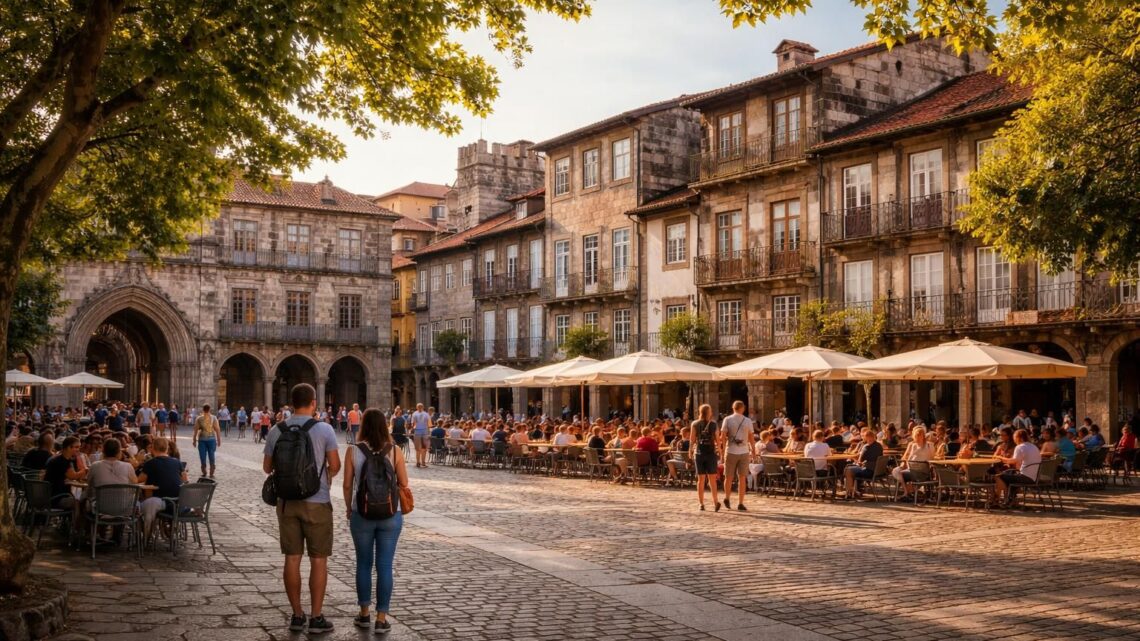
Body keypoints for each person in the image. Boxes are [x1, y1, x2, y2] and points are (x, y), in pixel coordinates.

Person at [263, 383, 341, 634]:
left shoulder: (277, 429)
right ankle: (316, 617)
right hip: (317, 502)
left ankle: (297, 615)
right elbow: (335, 464)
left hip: (286, 502)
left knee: (292, 559)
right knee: (319, 560)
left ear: (291, 402)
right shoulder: (325, 429)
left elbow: (267, 468)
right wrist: (324, 475)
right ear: (313, 402)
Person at [342, 408, 408, 634]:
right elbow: (404, 483)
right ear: (384, 426)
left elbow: (347, 485)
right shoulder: (396, 451)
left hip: (362, 513)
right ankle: (381, 618)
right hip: (391, 514)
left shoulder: (353, 451)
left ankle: (363, 614)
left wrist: (349, 508)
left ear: (363, 426)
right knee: (385, 565)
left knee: (363, 563)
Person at [138, 437, 187, 539]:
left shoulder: (150, 463)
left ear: (153, 448)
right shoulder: (177, 462)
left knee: (140, 502)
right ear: (167, 448)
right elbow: (185, 480)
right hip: (178, 501)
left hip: (160, 501)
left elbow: (139, 480)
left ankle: (146, 532)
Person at [720, 400, 753, 511]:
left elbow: (723, 436)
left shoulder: (727, 419)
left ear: (733, 408)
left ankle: (727, 497)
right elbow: (751, 437)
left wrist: (724, 449)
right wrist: (753, 450)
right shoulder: (747, 420)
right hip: (744, 451)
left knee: (728, 477)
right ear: (742, 408)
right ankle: (740, 502)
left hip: (731, 451)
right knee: (742, 478)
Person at [995, 429, 1041, 507]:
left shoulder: (1020, 447)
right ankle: (1011, 499)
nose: (1014, 440)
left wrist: (1001, 458)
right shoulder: (1033, 446)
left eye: (1015, 438)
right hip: (1034, 476)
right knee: (1009, 473)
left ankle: (998, 500)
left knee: (999, 477)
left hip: (1025, 477)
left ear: (1019, 438)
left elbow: (1013, 461)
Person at [891, 427, 935, 501]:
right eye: (916, 436)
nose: (917, 438)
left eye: (918, 436)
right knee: (896, 471)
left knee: (898, 473)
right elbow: (908, 458)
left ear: (923, 436)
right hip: (914, 470)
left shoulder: (929, 445)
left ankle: (907, 492)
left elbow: (931, 458)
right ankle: (908, 491)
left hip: (921, 472)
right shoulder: (914, 445)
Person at [690, 404, 720, 511]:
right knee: (712, 479)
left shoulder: (695, 423)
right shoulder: (713, 424)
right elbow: (717, 439)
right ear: (709, 412)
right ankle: (715, 501)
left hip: (699, 452)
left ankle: (701, 503)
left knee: (701, 479)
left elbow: (692, 439)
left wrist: (690, 451)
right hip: (711, 453)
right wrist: (720, 451)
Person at [843, 428, 883, 499]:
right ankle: (854, 490)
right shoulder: (879, 446)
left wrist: (853, 458)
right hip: (877, 471)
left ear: (866, 438)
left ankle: (850, 492)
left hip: (868, 471)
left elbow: (859, 461)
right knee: (851, 469)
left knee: (848, 470)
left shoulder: (866, 447)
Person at [192, 404, 222, 478]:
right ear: (209, 409)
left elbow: (195, 430)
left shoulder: (199, 418)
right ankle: (211, 472)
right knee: (211, 455)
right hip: (211, 439)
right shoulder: (214, 418)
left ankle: (204, 470)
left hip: (202, 439)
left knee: (202, 456)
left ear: (203, 409)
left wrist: (194, 440)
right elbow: (217, 429)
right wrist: (218, 440)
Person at [409, 403, 431, 469]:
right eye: (420, 407)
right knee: (422, 448)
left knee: (419, 449)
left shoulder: (415, 414)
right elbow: (429, 424)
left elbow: (413, 424)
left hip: (419, 432)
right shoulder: (426, 414)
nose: (420, 408)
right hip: (423, 432)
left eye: (420, 407)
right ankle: (422, 462)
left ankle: (419, 462)